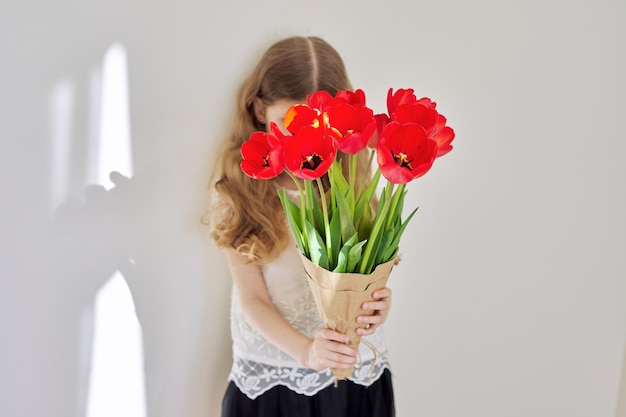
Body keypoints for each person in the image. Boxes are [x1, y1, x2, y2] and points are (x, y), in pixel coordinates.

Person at [206, 35, 395, 417]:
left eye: (318, 129)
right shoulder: (239, 186)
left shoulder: (354, 178)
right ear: (259, 110)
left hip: (353, 378)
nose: (303, 143)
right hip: (277, 379)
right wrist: (307, 352)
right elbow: (252, 299)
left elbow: (363, 276)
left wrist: (378, 306)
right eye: (290, 126)